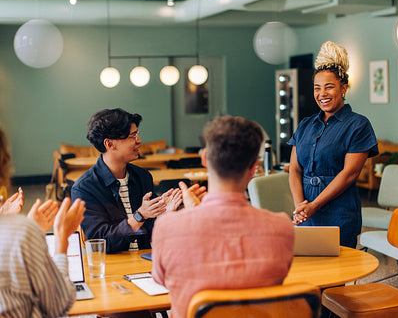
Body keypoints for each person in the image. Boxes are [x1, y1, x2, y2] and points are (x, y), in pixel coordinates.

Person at [152, 116, 294, 318]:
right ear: (254, 168)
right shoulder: (282, 227)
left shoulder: (167, 226)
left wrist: (188, 215)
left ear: (204, 157)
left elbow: (160, 280)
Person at [288, 41, 378, 248]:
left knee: (337, 275)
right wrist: (300, 206)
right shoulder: (305, 124)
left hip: (340, 211)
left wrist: (314, 205)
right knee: (308, 273)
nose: (322, 94)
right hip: (305, 212)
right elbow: (294, 169)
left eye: (329, 87)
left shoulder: (358, 124)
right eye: (317, 88)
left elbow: (350, 174)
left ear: (343, 88)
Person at [71, 108, 185, 253]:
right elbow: (101, 243)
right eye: (132, 136)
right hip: (113, 267)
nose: (139, 141)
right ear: (110, 144)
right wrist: (139, 216)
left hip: (145, 259)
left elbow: (151, 232)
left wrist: (164, 214)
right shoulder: (85, 188)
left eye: (137, 134)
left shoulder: (142, 176)